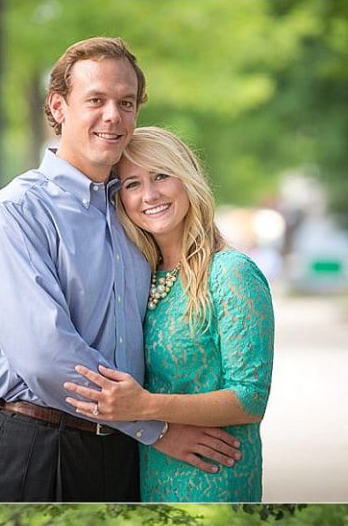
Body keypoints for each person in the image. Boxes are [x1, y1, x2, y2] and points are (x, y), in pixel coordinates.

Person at [0, 37, 241, 502]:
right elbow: (44, 355)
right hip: (34, 446)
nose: (113, 115)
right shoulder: (17, 212)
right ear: (58, 107)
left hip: (123, 453)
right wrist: (156, 427)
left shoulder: (133, 209)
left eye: (126, 102)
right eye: (96, 100)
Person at [63, 126, 275, 502]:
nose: (149, 195)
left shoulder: (230, 272)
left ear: (188, 180)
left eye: (161, 176)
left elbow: (250, 398)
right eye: (132, 184)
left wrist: (145, 407)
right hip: (146, 471)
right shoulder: (139, 276)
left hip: (213, 473)